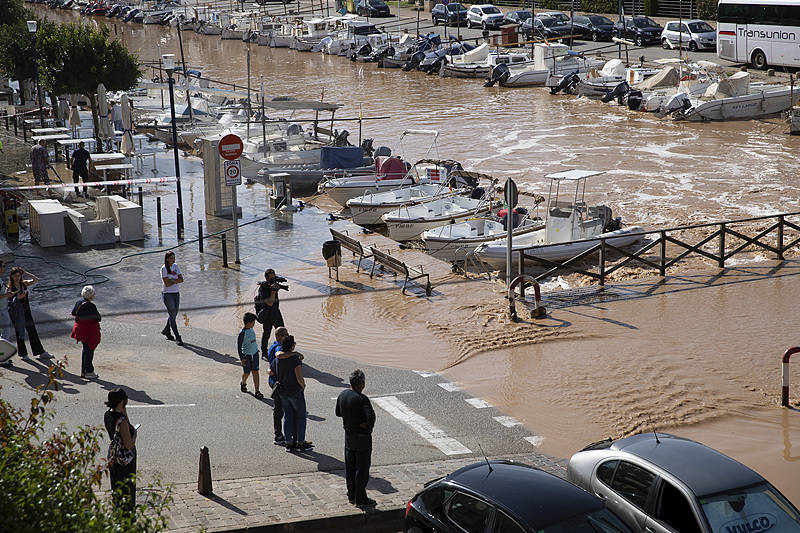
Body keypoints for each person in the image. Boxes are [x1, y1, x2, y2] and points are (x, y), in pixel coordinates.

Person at [336, 369, 376, 507]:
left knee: (350, 467)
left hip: (348, 437)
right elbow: (370, 418)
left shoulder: (343, 395)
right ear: (362, 384)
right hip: (362, 439)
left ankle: (351, 494)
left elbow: (338, 413)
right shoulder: (362, 399)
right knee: (362, 469)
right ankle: (360, 498)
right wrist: (364, 425)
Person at [276, 335, 312, 452]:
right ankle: (300, 443)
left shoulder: (278, 358)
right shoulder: (295, 359)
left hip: (282, 391)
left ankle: (289, 443)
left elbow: (271, 371)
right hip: (295, 391)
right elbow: (299, 377)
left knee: (287, 416)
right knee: (301, 417)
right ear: (292, 346)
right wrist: (303, 385)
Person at [104, 388, 137, 513]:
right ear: (123, 401)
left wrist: (123, 411)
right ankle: (126, 516)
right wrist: (135, 435)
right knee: (127, 490)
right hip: (124, 460)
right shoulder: (121, 422)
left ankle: (117, 511)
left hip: (112, 455)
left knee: (116, 487)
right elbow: (128, 444)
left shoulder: (108, 415)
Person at [7, 266, 49, 360]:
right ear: (12, 277)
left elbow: (35, 280)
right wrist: (17, 298)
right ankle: (23, 354)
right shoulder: (10, 287)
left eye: (19, 275)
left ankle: (40, 352)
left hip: (26, 311)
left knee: (32, 331)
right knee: (20, 333)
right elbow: (8, 302)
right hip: (17, 313)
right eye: (15, 276)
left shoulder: (23, 283)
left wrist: (25, 272)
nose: (17, 277)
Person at [266, 327, 298, 445]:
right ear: (279, 336)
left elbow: (271, 367)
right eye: (286, 334)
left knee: (279, 409)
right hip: (278, 383)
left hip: (274, 380)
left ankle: (280, 434)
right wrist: (294, 353)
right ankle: (279, 435)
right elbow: (279, 355)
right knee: (281, 410)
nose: (287, 336)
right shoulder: (279, 348)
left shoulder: (273, 345)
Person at [71, 285, 101, 379]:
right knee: (89, 351)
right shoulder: (91, 306)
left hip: (80, 330)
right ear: (91, 296)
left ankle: (84, 371)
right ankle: (89, 371)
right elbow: (98, 318)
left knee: (85, 349)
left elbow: (73, 313)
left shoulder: (79, 302)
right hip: (89, 332)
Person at [254, 269, 285, 356]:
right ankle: (264, 352)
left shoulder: (273, 284)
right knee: (266, 333)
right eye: (271, 278)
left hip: (276, 312)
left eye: (274, 277)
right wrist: (273, 291)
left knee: (283, 332)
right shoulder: (263, 288)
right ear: (267, 278)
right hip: (267, 314)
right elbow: (270, 303)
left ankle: (285, 349)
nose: (273, 280)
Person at [237, 312, 262, 399]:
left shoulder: (251, 329)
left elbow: (253, 340)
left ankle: (257, 391)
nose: (254, 324)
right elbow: (239, 347)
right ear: (248, 323)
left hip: (254, 355)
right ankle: (243, 382)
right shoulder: (242, 333)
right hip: (246, 356)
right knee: (246, 373)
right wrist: (242, 358)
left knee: (255, 372)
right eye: (253, 322)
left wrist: (256, 349)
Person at [160, 251, 183, 346]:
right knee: (172, 316)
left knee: (174, 314)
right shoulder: (164, 268)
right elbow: (167, 284)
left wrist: (172, 280)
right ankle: (178, 337)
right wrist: (175, 280)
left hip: (176, 293)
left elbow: (181, 279)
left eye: (174, 258)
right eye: (171, 258)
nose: (173, 260)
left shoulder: (176, 266)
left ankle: (166, 330)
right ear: (167, 259)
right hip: (167, 294)